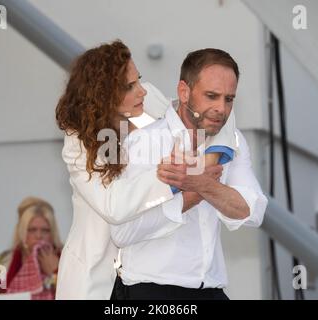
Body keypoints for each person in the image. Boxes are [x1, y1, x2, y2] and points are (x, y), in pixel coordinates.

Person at [54, 40, 234, 299]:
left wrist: (210, 159)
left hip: (153, 279)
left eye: (139, 79)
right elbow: (114, 206)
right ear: (102, 94)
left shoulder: (146, 104)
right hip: (97, 281)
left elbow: (213, 112)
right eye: (130, 86)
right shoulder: (78, 144)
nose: (142, 92)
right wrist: (177, 177)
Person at [109, 48, 268, 300]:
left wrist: (201, 185)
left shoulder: (234, 141)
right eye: (211, 96)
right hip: (149, 291)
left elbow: (252, 211)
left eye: (229, 99)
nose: (221, 108)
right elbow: (122, 232)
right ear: (184, 92)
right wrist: (187, 198)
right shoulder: (143, 143)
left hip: (211, 289)